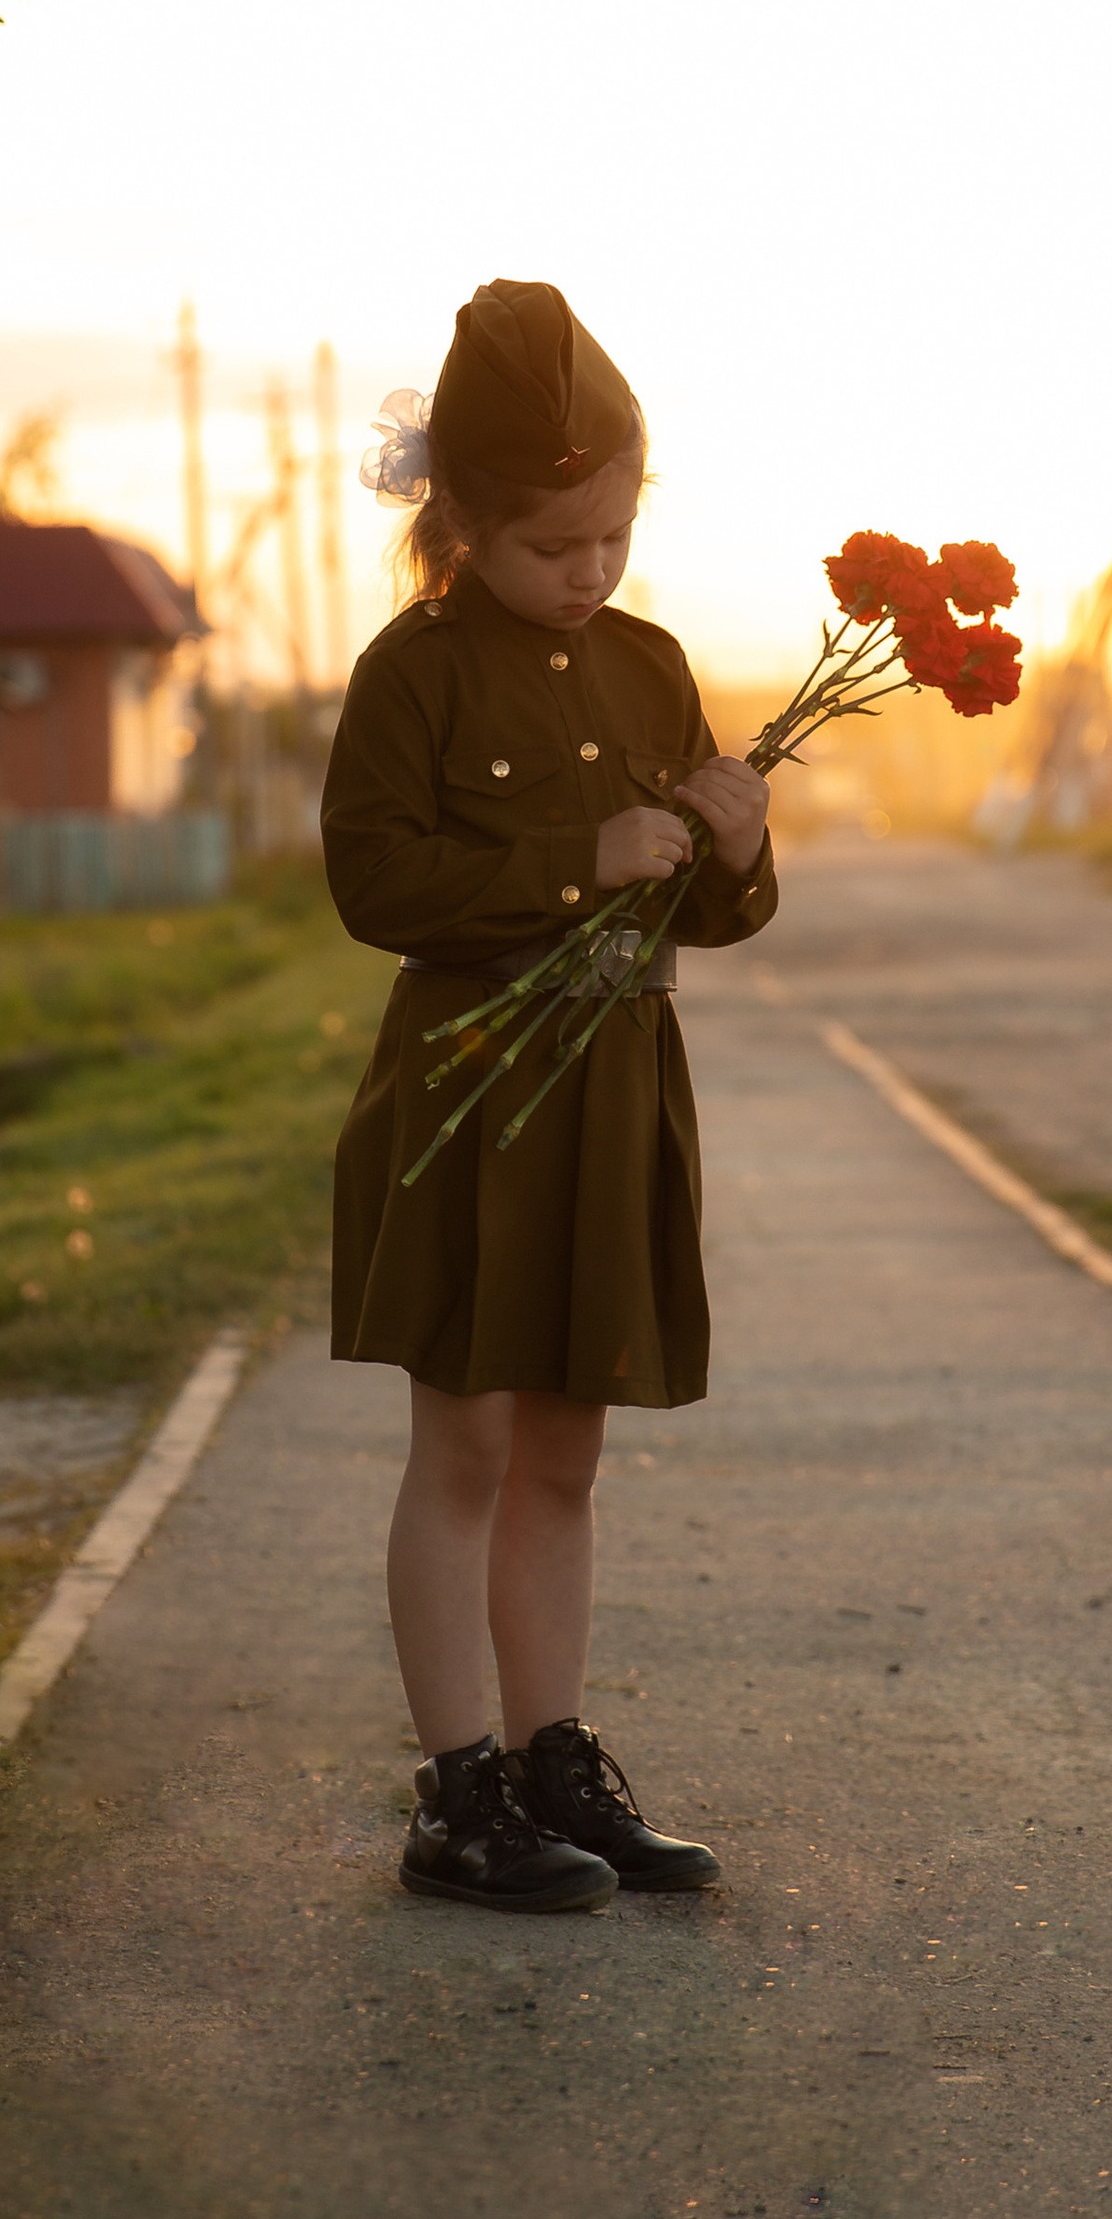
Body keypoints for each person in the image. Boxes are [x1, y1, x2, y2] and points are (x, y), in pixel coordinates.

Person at [323, 279, 778, 1913]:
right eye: (552, 549)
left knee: (567, 1457)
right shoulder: (415, 676)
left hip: (608, 1101)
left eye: (613, 536)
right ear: (459, 522)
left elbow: (713, 917)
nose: (588, 574)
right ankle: (455, 1800)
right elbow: (373, 883)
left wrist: (733, 852)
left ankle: (551, 1763)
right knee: (465, 1448)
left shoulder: (654, 667)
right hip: (470, 1093)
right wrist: (569, 863)